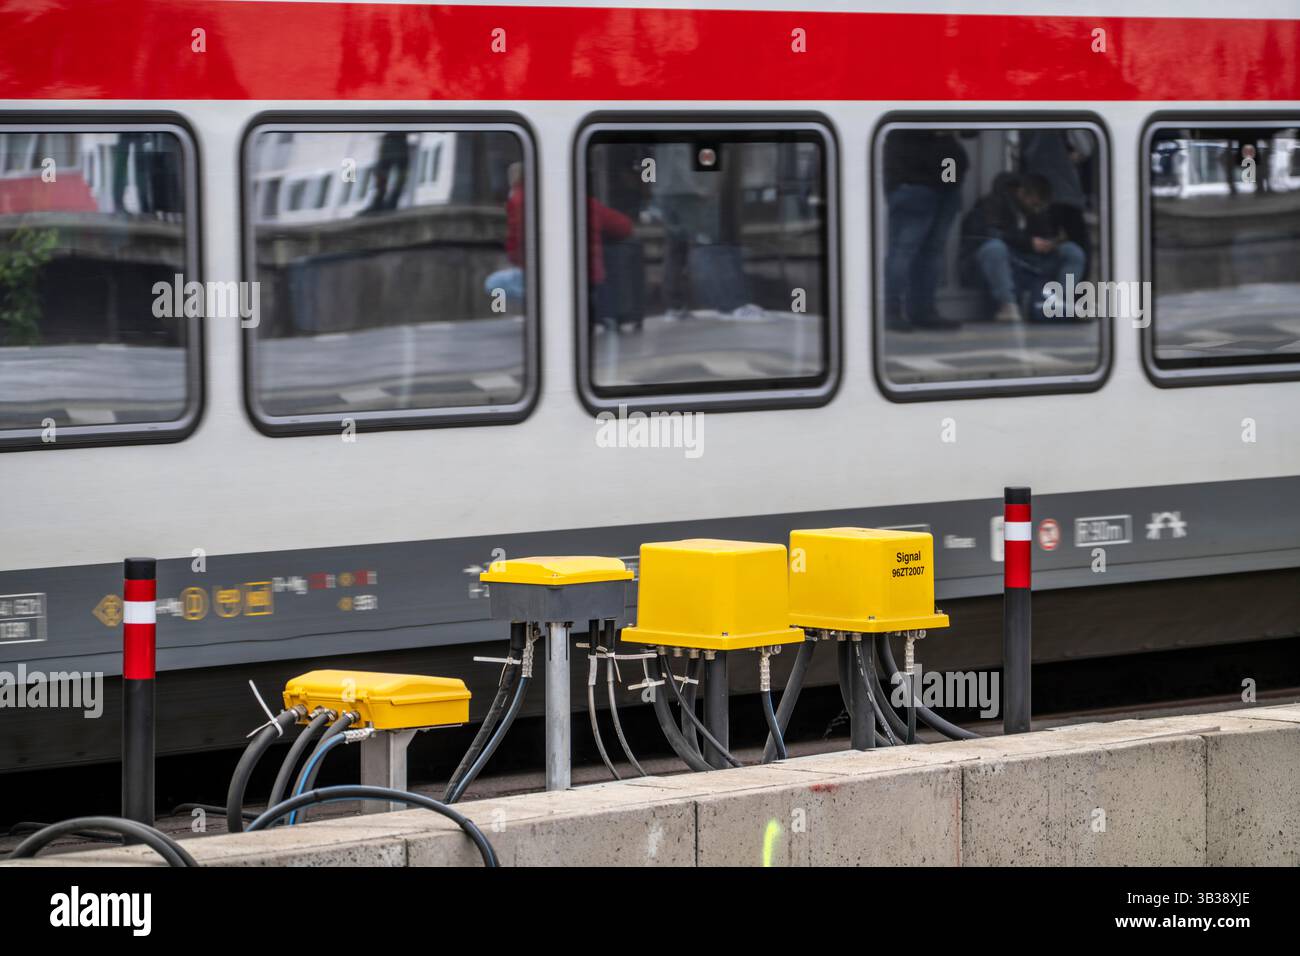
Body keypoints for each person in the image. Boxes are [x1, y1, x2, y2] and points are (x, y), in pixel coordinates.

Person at [960, 172, 1085, 322]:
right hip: (1001, 262)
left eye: (1040, 206)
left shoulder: (1035, 212)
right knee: (994, 248)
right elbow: (989, 233)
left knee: (1071, 252)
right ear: (1021, 193)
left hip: (1028, 261)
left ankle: (1059, 303)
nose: (1037, 210)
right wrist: (1028, 243)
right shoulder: (992, 204)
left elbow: (1043, 234)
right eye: (1034, 205)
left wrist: (1049, 244)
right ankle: (1007, 305)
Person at [882, 131, 968, 331]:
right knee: (905, 251)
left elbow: (970, 130)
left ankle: (921, 310)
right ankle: (894, 310)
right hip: (915, 180)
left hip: (944, 182)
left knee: (930, 252)